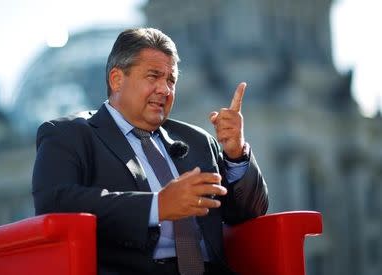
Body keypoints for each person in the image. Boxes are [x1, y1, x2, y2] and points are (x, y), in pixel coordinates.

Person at [32, 28, 268, 275]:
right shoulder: (69, 135)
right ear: (116, 79)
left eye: (171, 80)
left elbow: (249, 213)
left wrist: (236, 154)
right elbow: (55, 203)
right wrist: (157, 206)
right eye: (153, 77)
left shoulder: (198, 141)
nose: (165, 90)